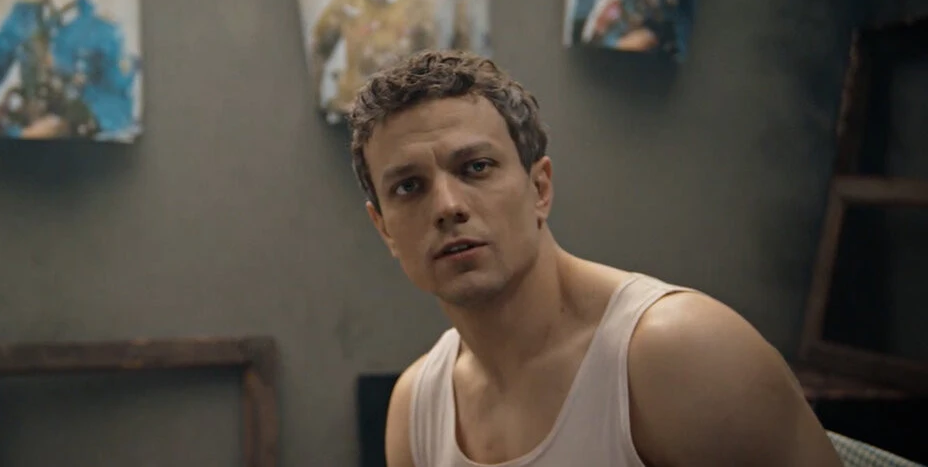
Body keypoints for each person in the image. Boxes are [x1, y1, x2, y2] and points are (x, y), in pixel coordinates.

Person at [347, 50, 843, 467]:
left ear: (539, 189)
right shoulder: (417, 408)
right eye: (409, 187)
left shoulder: (679, 354)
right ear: (384, 228)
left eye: (476, 167)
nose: (447, 206)